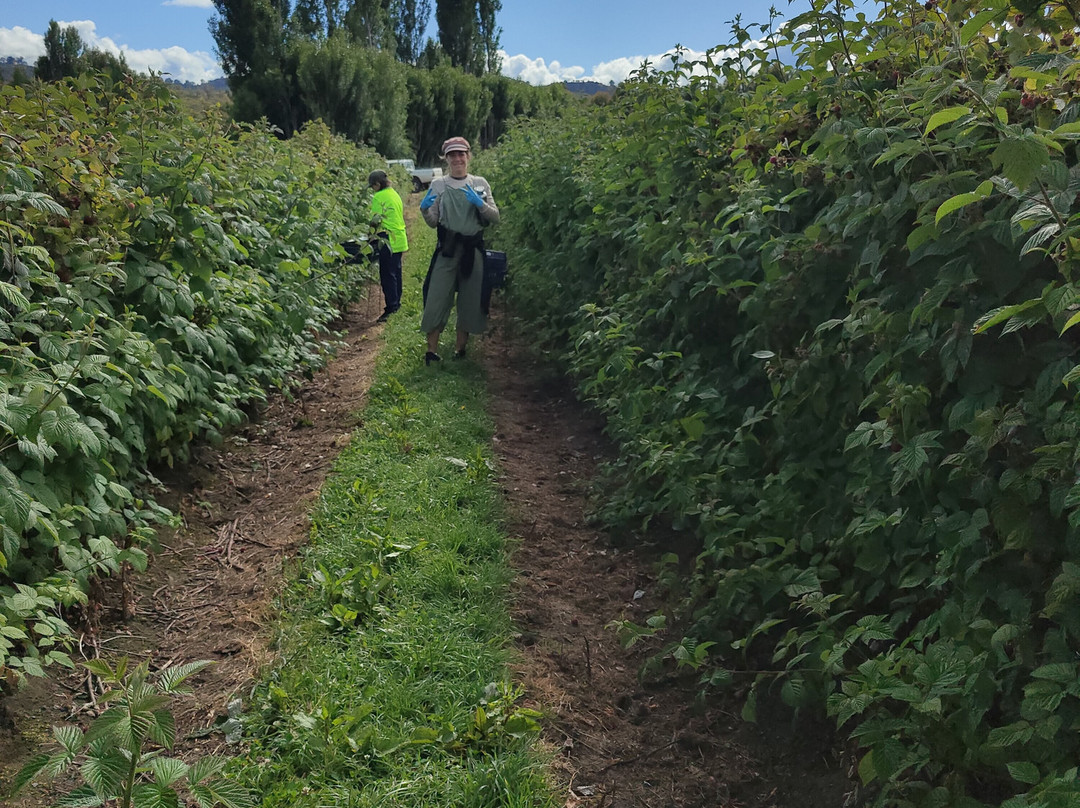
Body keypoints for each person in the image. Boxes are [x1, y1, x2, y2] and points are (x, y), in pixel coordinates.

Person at [418, 136, 500, 365]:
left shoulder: (479, 183)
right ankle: (431, 351)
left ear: (468, 156)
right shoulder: (439, 185)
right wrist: (425, 211)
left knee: (470, 299)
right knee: (436, 297)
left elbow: (495, 217)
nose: (457, 159)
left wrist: (480, 204)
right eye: (452, 155)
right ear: (446, 159)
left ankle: (460, 350)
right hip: (448, 249)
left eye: (461, 154)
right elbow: (433, 222)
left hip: (472, 251)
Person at [368, 169, 407, 322]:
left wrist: (369, 236)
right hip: (400, 237)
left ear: (377, 184)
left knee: (387, 275)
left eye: (373, 186)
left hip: (387, 239)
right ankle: (396, 304)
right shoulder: (394, 193)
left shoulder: (379, 196)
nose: (373, 189)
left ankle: (391, 308)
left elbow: (375, 220)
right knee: (396, 273)